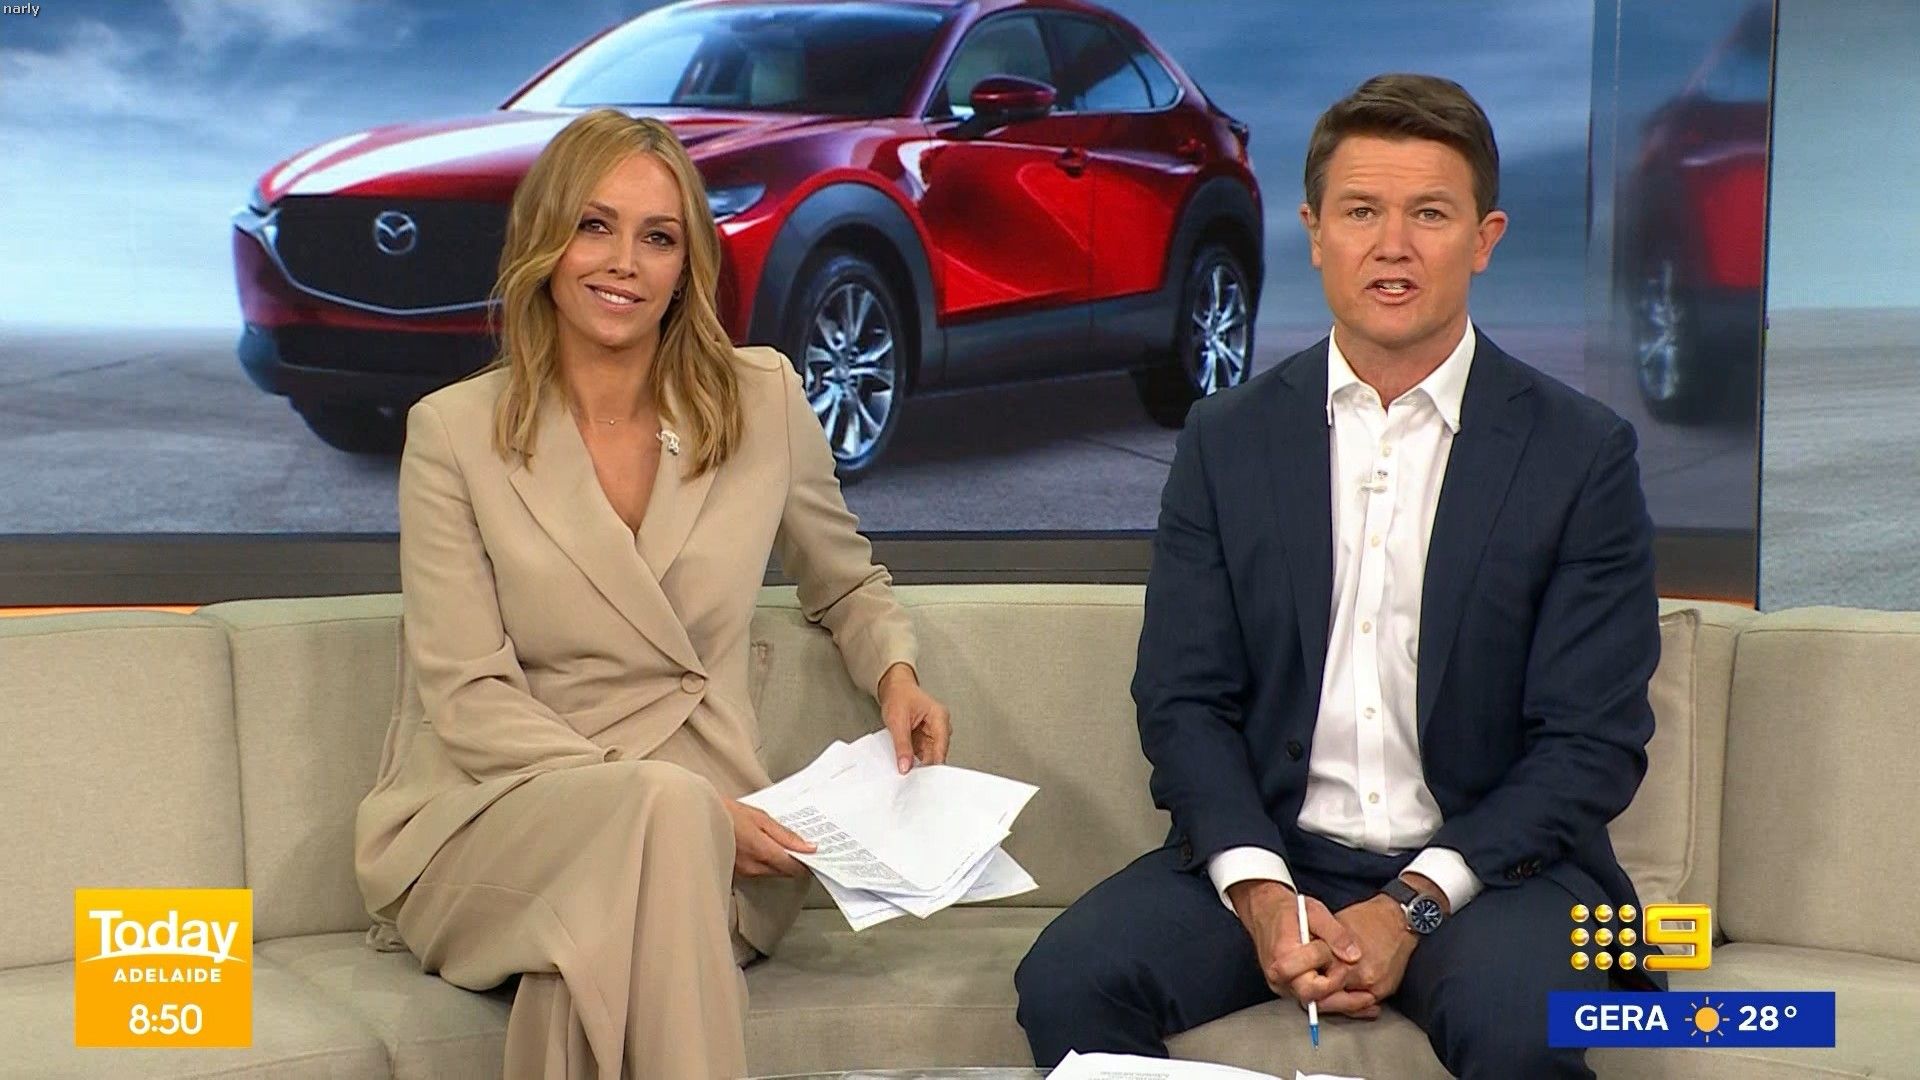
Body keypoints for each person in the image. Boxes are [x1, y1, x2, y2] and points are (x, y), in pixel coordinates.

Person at [1014, 74, 1661, 1078]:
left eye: (1429, 214)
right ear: (1314, 233)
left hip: (1498, 870)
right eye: (1361, 212)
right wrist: (1261, 892)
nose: (1391, 245)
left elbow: (1592, 743)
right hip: (1281, 847)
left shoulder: (1581, 453)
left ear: (1484, 239)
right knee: (1068, 980)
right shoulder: (1225, 439)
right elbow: (1184, 700)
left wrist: (1410, 906)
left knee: (1521, 1030)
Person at [353, 109, 953, 1080]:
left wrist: (895, 673)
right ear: (546, 240)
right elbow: (468, 699)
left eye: (658, 237)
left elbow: (844, 580)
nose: (624, 262)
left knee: (584, 953)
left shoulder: (761, 400)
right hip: (497, 817)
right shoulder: (453, 434)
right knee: (663, 821)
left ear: (687, 265)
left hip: (711, 837)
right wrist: (691, 808)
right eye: (595, 226)